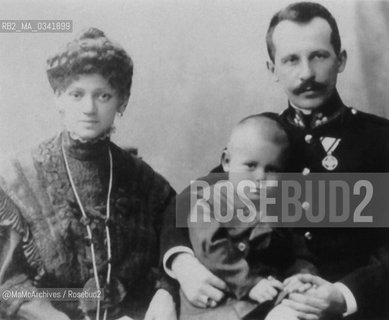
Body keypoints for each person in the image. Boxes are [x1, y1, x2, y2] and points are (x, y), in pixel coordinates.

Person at [163, 2, 389, 320]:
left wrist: (347, 295)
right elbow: (187, 204)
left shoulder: (379, 141)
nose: (307, 73)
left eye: (319, 56)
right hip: (271, 305)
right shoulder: (265, 142)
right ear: (273, 69)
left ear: (341, 60)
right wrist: (181, 266)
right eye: (291, 60)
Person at [0, 28, 178, 320]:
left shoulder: (144, 180)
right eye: (76, 94)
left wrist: (165, 293)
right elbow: (7, 284)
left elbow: (175, 242)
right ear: (58, 98)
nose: (89, 108)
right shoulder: (17, 177)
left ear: (121, 101)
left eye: (103, 95)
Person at [180, 114, 317, 320]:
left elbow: (298, 253)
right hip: (218, 301)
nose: (260, 177)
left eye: (271, 170)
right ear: (227, 162)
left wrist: (302, 276)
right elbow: (211, 249)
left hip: (267, 298)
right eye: (250, 165)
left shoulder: (281, 207)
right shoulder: (210, 201)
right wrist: (250, 283)